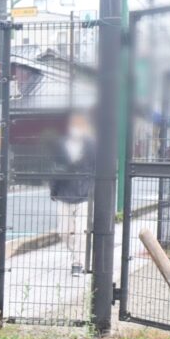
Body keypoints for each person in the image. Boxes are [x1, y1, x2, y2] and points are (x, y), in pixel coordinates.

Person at [48, 110, 96, 276]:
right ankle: (78, 253)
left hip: (84, 194)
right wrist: (53, 190)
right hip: (64, 193)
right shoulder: (61, 144)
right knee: (63, 232)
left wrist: (93, 189)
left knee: (82, 232)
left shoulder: (91, 145)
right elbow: (54, 169)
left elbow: (97, 168)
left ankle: (78, 263)